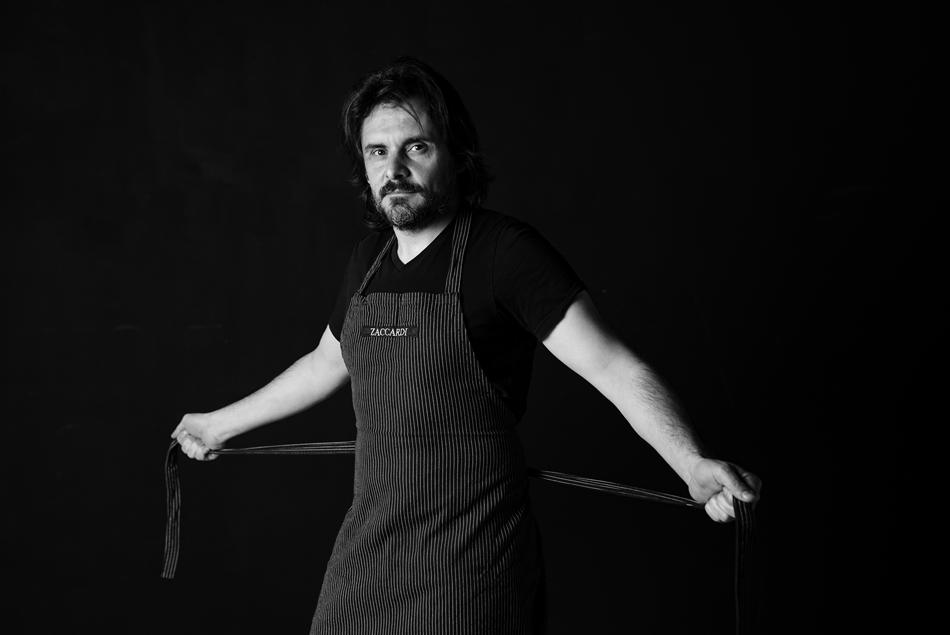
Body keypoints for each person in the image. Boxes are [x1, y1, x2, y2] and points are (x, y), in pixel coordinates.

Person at [171, 56, 762, 634]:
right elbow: (327, 362)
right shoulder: (368, 262)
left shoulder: (506, 253)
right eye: (377, 151)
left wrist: (690, 462)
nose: (394, 168)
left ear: (455, 154)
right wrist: (217, 425)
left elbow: (613, 366)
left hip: (471, 563)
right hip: (368, 555)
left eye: (416, 147)